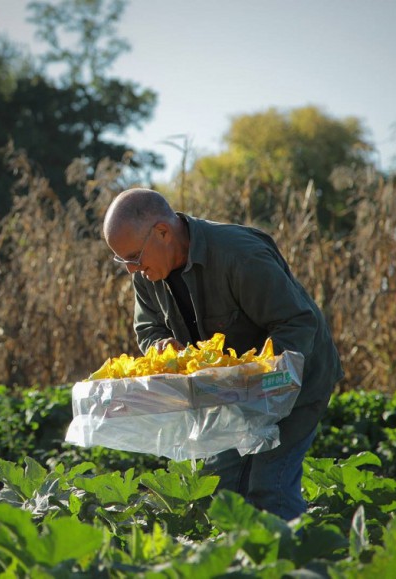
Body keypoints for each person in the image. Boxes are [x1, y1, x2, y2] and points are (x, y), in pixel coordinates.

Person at [102, 187, 343, 521]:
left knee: (268, 487)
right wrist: (161, 347)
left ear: (162, 232)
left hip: (295, 382)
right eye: (122, 260)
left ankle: (296, 564)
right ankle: (237, 565)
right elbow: (148, 328)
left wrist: (265, 379)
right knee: (221, 487)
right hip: (226, 392)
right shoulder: (147, 271)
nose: (130, 269)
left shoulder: (239, 255)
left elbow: (296, 322)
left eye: (132, 257)